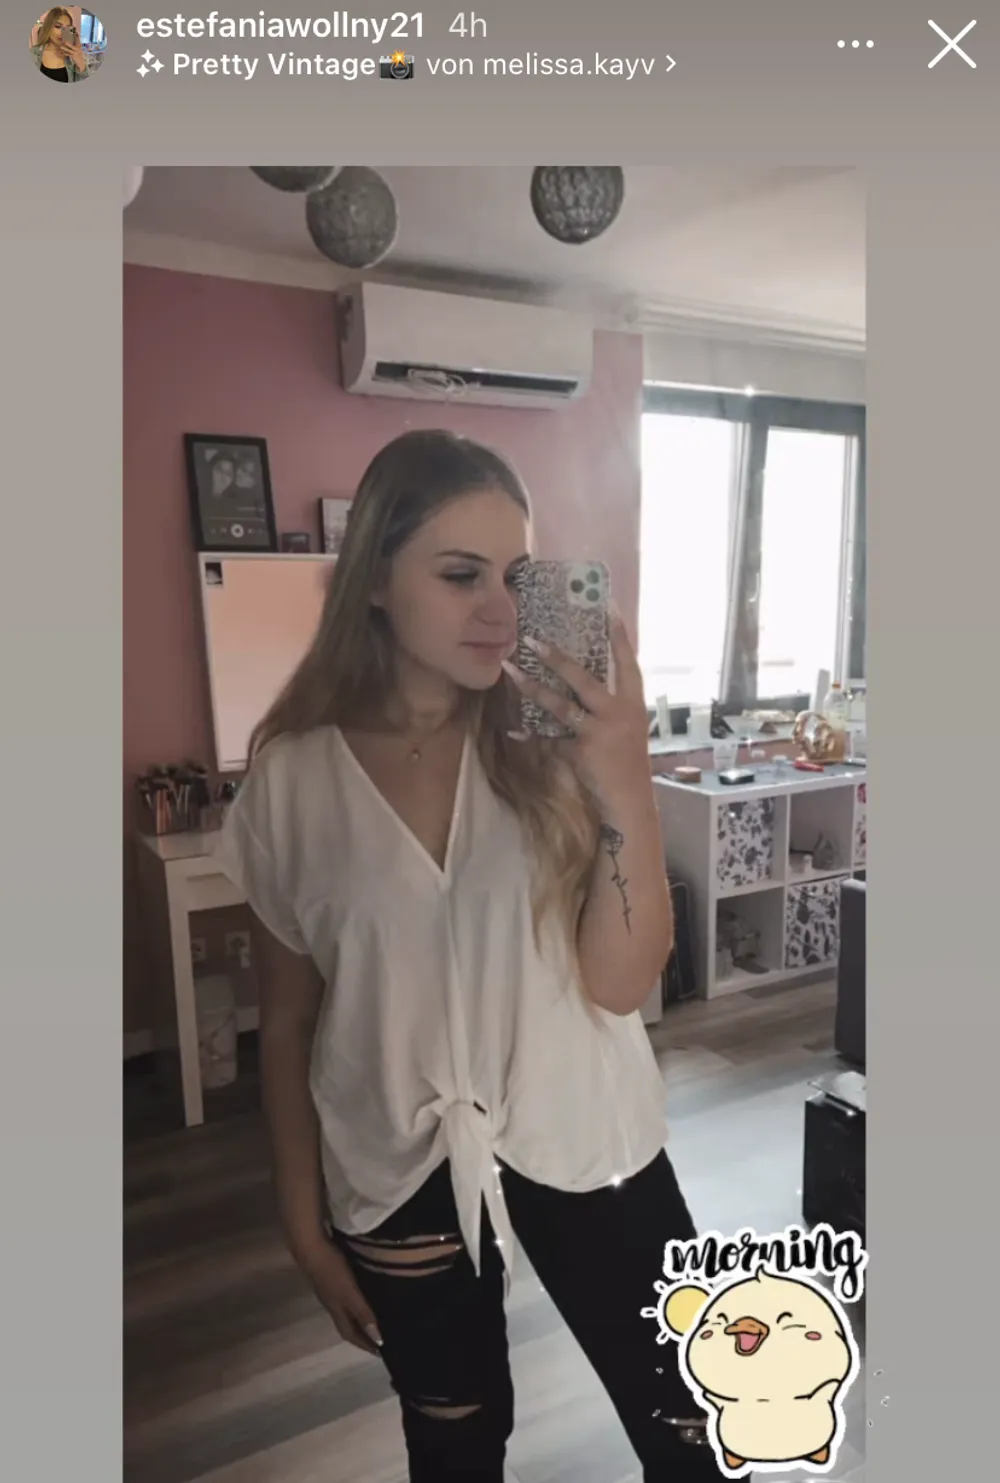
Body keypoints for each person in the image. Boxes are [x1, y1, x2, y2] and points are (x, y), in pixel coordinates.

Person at [218, 429, 723, 1482]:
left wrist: (623, 770)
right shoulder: (290, 782)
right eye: (460, 575)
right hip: (393, 1161)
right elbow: (290, 1022)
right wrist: (303, 1226)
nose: (500, 610)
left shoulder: (553, 747)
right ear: (374, 583)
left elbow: (621, 980)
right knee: (453, 1443)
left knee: (697, 1431)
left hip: (588, 1131)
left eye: (516, 576)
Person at [30, 8, 88, 81]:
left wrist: (80, 63)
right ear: (48, 28)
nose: (63, 32)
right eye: (58, 26)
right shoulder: (34, 53)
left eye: (67, 28)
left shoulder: (73, 54)